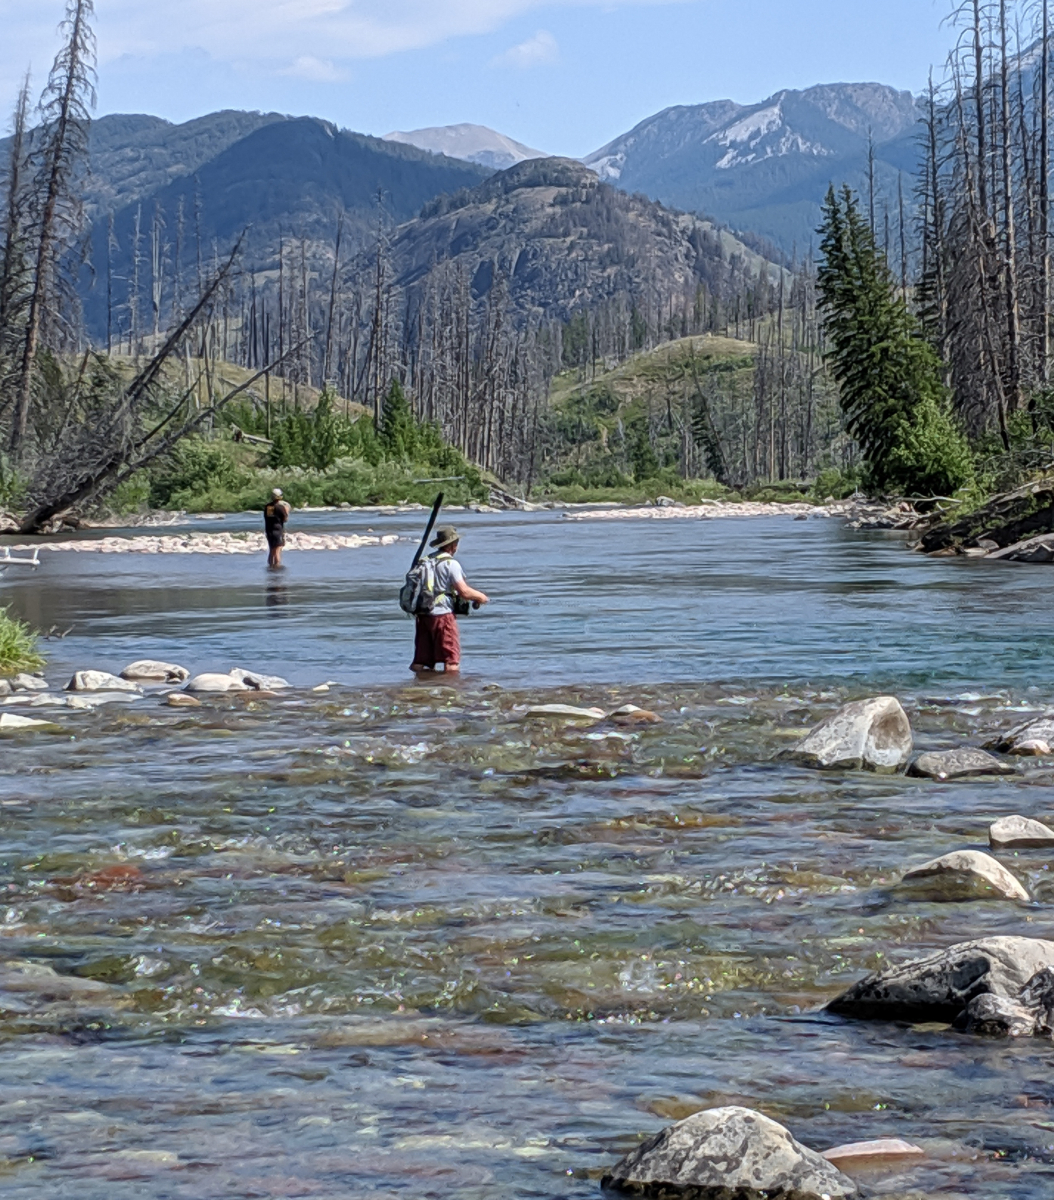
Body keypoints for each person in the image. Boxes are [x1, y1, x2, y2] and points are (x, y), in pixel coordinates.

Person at [411, 525, 488, 674]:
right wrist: (481, 597)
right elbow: (464, 592)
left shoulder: (425, 561)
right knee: (451, 659)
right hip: (443, 616)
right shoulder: (451, 564)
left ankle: (419, 688)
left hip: (423, 615)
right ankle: (450, 691)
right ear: (453, 545)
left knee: (421, 660)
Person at [264, 487, 291, 568]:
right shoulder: (281, 507)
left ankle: (270, 567)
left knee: (271, 550)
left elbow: (270, 517)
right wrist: (286, 511)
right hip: (277, 530)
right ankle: (277, 568)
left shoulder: (268, 507)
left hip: (269, 530)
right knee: (277, 550)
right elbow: (285, 519)